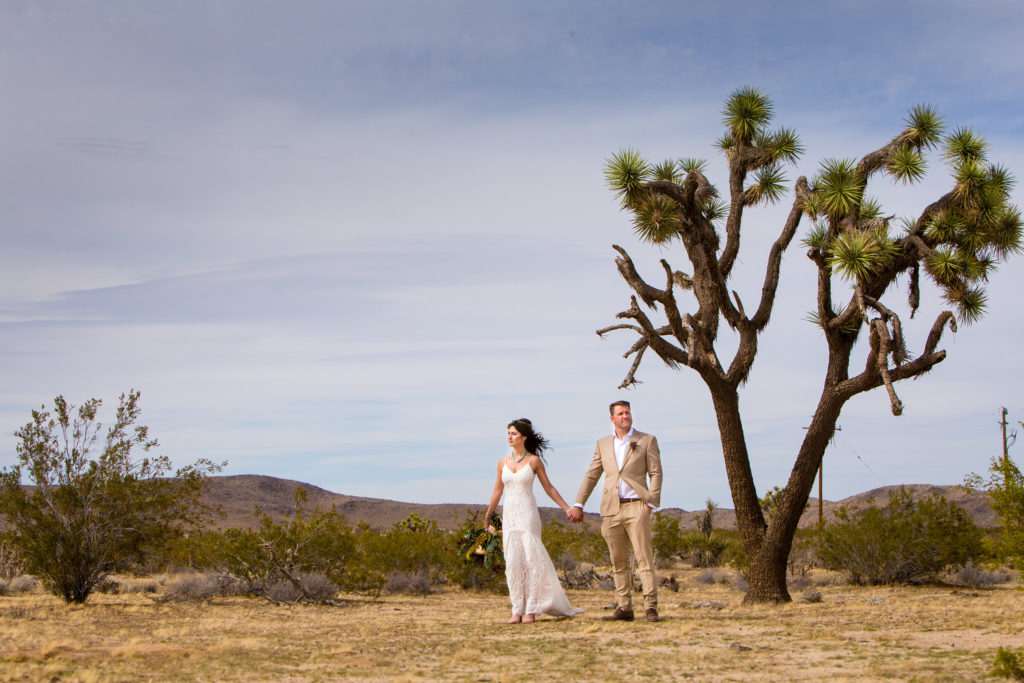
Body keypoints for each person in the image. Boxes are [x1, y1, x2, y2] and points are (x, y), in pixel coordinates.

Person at [567, 400, 663, 622]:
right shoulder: (603, 444)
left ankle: (650, 607)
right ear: (612, 419)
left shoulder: (646, 441)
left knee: (644, 559)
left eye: (628, 412)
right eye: (620, 413)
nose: (625, 416)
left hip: (637, 506)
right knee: (617, 561)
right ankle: (624, 608)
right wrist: (579, 503)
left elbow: (655, 472)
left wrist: (652, 500)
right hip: (611, 509)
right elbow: (592, 474)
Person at [483, 418, 583, 623]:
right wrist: (488, 514)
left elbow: (549, 488)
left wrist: (566, 508)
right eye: (508, 433)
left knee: (531, 561)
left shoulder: (534, 461)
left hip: (528, 515)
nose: (509, 437)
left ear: (524, 437)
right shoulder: (502, 462)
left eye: (514, 434)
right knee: (513, 561)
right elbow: (497, 491)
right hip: (510, 516)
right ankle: (516, 608)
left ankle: (531, 609)